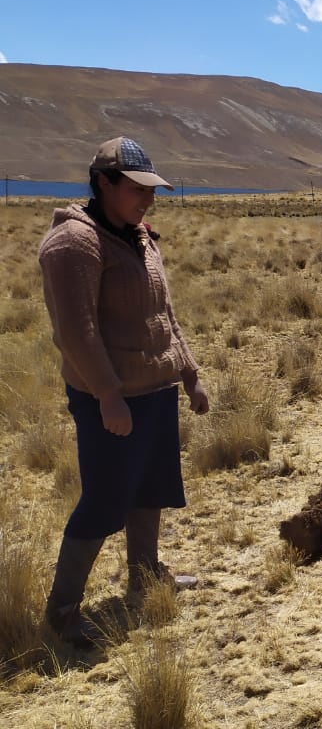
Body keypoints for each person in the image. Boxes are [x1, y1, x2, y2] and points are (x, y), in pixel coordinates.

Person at [38, 136, 210, 647]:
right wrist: (108, 394)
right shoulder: (74, 244)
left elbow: (164, 314)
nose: (148, 198)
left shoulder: (141, 238)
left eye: (152, 189)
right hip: (109, 399)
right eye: (137, 188)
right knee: (105, 498)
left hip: (155, 388)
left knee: (151, 486)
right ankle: (62, 612)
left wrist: (190, 373)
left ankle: (145, 574)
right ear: (103, 183)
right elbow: (76, 331)